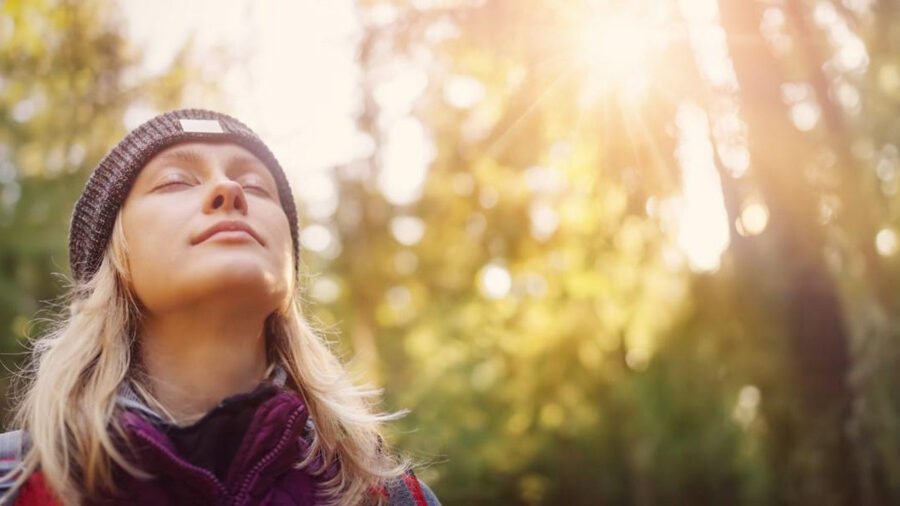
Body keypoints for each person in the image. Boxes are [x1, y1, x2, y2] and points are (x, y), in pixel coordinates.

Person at [0, 109, 439, 506]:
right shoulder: (13, 484)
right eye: (175, 180)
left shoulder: (388, 494)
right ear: (113, 259)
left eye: (255, 186)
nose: (229, 189)